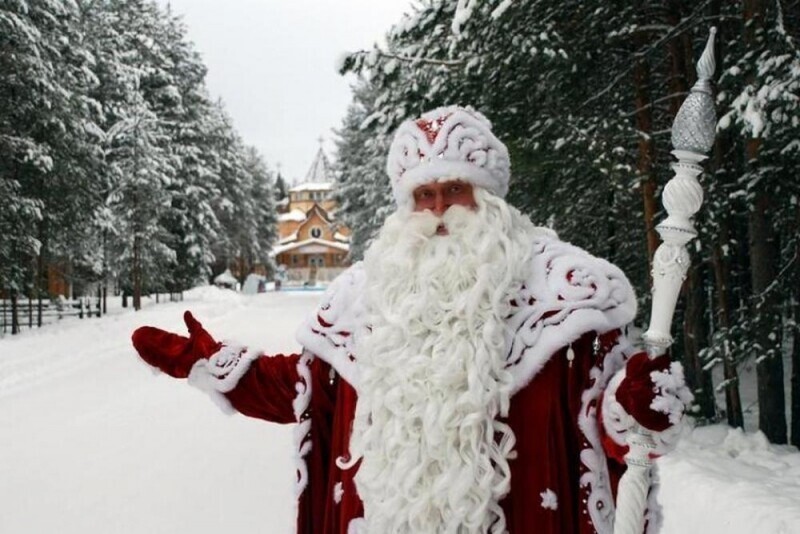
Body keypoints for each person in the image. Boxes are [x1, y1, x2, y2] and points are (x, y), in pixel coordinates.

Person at [131, 106, 692, 534]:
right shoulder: (364, 295)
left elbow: (615, 423)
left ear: (490, 196)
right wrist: (211, 363)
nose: (440, 207)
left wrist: (636, 408)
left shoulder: (568, 298)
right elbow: (307, 390)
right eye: (424, 193)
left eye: (455, 189)